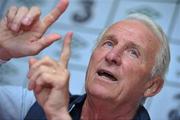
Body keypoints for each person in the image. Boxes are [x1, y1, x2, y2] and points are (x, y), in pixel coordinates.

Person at [0, 0, 170, 120]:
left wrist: (57, 116)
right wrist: (2, 51)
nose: (112, 56)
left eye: (133, 52)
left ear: (152, 86)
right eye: (109, 43)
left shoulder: (53, 109)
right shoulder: (33, 106)